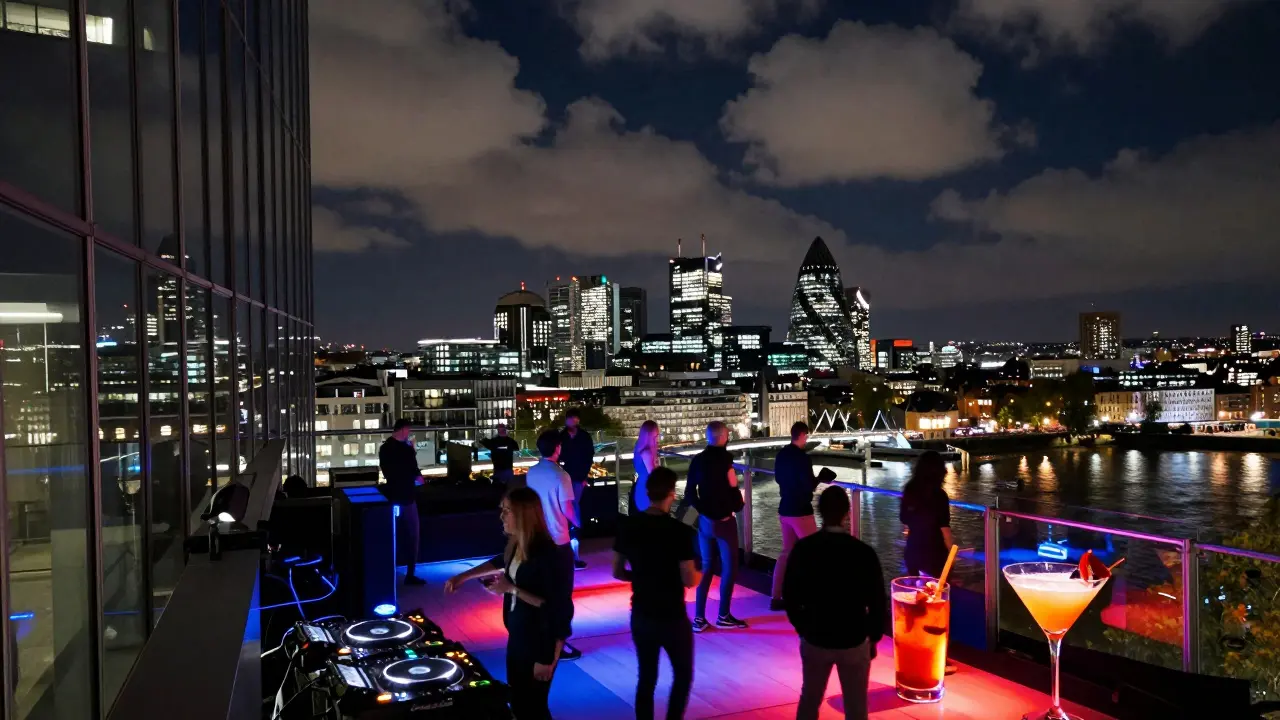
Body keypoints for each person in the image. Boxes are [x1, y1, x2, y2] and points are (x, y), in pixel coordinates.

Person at [444, 488, 573, 720]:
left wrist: (547, 658)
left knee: (533, 707)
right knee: (519, 702)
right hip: (518, 637)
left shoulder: (549, 554)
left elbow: (557, 609)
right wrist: (463, 577)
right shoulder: (516, 544)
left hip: (539, 643)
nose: (501, 517)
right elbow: (499, 562)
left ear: (524, 515)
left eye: (507, 511)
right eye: (501, 510)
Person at [784, 486, 886, 720]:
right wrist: (874, 636)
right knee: (856, 705)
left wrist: (803, 627)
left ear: (819, 512)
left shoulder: (804, 549)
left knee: (809, 698)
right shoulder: (863, 553)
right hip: (853, 636)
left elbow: (790, 595)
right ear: (847, 513)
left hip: (816, 635)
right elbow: (877, 601)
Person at [613, 467, 699, 719]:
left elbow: (617, 571)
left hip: (641, 611)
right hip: (672, 615)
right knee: (682, 675)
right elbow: (689, 579)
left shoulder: (628, 526)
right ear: (672, 493)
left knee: (647, 677)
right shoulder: (680, 531)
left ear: (648, 492)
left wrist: (640, 576)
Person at [524, 429, 584, 661]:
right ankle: (560, 642)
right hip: (559, 540)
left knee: (541, 591)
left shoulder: (531, 473)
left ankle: (541, 637)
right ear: (557, 448)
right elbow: (568, 509)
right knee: (562, 595)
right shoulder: (562, 475)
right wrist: (579, 523)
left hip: (537, 538)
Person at [684, 421, 747, 632]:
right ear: (723, 437)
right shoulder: (726, 461)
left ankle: (699, 619)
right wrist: (738, 503)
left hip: (705, 522)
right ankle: (723, 615)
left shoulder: (698, 460)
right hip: (724, 522)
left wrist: (702, 510)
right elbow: (733, 494)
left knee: (707, 567)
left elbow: (690, 493)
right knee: (730, 567)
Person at [899, 450, 957, 674]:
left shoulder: (909, 490)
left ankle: (915, 648)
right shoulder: (939, 496)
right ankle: (936, 657)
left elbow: (905, 520)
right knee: (936, 607)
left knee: (916, 603)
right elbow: (945, 530)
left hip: (913, 551)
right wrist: (953, 554)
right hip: (934, 556)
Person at [770, 421, 824, 610]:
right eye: (806, 436)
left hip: (784, 508)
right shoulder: (802, 458)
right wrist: (819, 479)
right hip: (800, 510)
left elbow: (777, 478)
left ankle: (776, 596)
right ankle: (814, 598)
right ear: (802, 435)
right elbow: (809, 484)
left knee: (786, 553)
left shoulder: (782, 455)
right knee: (814, 552)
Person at [379, 419, 426, 586]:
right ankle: (410, 574)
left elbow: (388, 473)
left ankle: (386, 571)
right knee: (413, 536)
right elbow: (416, 474)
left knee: (392, 537)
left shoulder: (384, 449)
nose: (409, 433)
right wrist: (412, 452)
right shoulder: (406, 450)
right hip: (406, 498)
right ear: (403, 430)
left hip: (392, 497)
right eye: (408, 430)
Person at [558, 408, 595, 570]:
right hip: (565, 479)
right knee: (570, 509)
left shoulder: (584, 437)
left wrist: (584, 476)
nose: (572, 422)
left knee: (572, 509)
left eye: (574, 419)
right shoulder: (561, 437)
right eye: (570, 419)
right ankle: (571, 551)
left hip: (577, 478)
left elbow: (589, 457)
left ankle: (573, 551)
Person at [630, 420, 661, 515]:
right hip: (647, 492)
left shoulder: (638, 448)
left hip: (641, 487)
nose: (657, 438)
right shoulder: (647, 453)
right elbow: (654, 476)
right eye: (656, 435)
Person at [482, 423, 521, 488]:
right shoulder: (511, 441)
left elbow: (484, 442)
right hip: (507, 468)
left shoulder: (493, 441)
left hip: (498, 469)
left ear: (498, 431)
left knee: (497, 488)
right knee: (509, 487)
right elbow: (517, 450)